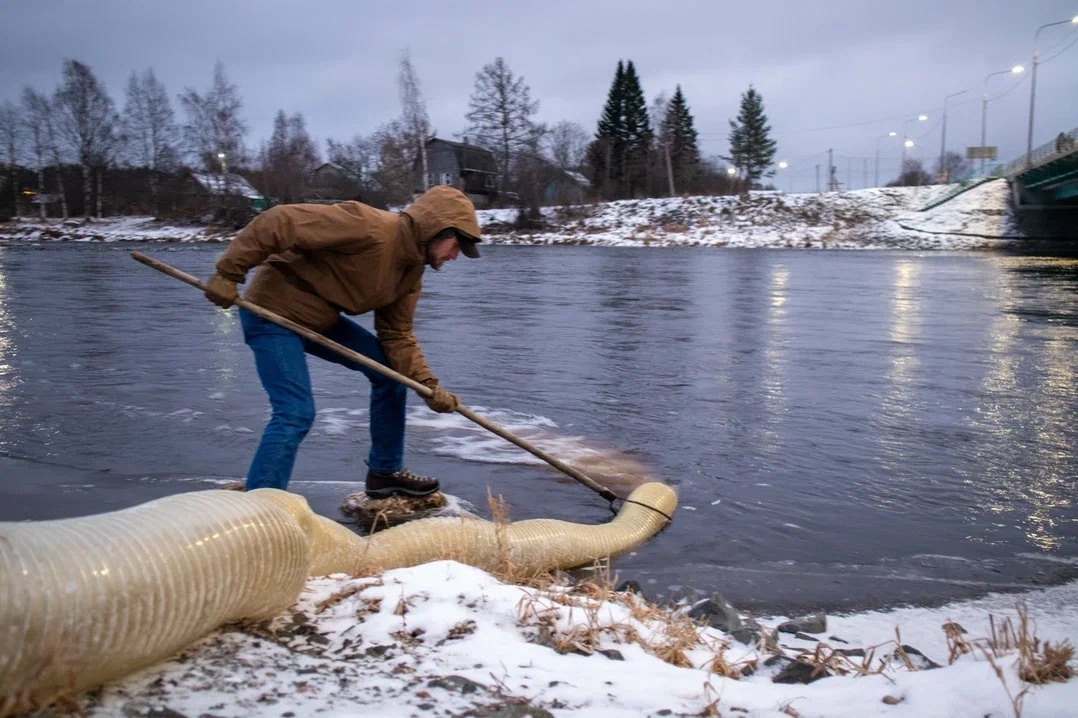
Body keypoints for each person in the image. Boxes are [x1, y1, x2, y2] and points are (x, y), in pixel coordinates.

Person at [202, 185, 482, 498]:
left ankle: (384, 473)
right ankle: (262, 503)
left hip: (320, 319)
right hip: (271, 313)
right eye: (457, 245)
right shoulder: (369, 226)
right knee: (295, 412)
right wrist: (229, 273)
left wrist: (428, 386)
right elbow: (279, 221)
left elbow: (397, 334)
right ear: (437, 229)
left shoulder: (410, 273)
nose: (455, 256)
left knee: (391, 375)